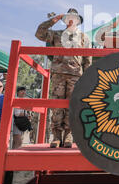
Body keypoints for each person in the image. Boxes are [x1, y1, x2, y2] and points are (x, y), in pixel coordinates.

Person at [35, 8, 92, 148]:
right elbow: (39, 34)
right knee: (56, 105)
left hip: (76, 75)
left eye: (74, 17)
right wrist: (53, 20)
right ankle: (56, 136)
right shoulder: (56, 35)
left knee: (72, 105)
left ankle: (68, 134)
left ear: (78, 21)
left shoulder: (84, 37)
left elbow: (87, 59)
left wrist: (87, 78)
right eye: (68, 17)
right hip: (58, 74)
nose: (71, 20)